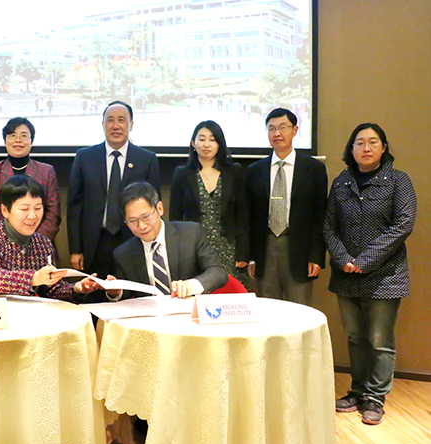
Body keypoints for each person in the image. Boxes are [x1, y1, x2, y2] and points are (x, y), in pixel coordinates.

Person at [325, 123, 416, 425]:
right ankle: (357, 391)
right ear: (351, 149)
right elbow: (328, 225)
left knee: (379, 340)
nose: (366, 148)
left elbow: (403, 224)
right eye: (360, 142)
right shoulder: (341, 181)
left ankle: (375, 398)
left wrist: (364, 260)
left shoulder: (399, 181)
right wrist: (342, 258)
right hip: (346, 274)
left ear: (383, 147)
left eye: (373, 142)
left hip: (385, 276)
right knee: (355, 337)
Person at [0, 175, 103, 300]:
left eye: (38, 208)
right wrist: (34, 278)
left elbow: (51, 290)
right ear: (5, 210)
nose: (32, 216)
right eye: (24, 209)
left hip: (22, 313)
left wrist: (77, 288)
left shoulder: (43, 243)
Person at [67, 100, 161, 280]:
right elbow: (74, 207)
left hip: (134, 240)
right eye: (110, 120)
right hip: (95, 242)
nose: (115, 126)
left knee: (132, 292)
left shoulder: (147, 159)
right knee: (94, 292)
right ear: (103, 124)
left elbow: (154, 208)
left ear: (131, 125)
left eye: (121, 120)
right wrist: (75, 249)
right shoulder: (85, 157)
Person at [244, 107, 327, 305]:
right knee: (267, 309)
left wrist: (316, 255)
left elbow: (320, 216)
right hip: (265, 247)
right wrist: (251, 257)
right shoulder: (255, 171)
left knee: (299, 310)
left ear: (295, 130)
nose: (277, 133)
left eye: (283, 127)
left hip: (299, 247)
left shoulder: (313, 169)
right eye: (272, 129)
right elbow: (248, 217)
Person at [107, 182, 227, 300]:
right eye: (133, 221)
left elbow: (217, 272)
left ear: (159, 208)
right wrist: (116, 292)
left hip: (188, 309)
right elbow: (126, 293)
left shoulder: (191, 234)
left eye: (146, 217)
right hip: (149, 312)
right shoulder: (123, 254)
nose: (142, 226)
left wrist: (190, 285)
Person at [170, 120, 249, 289]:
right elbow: (175, 217)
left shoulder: (234, 171)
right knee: (196, 291)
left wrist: (243, 252)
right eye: (202, 139)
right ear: (193, 143)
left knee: (230, 293)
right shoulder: (182, 174)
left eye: (212, 139)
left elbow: (242, 214)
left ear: (219, 144)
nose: (206, 144)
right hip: (193, 247)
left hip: (228, 246)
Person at [0, 117, 61, 240]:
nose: (18, 140)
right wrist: (3, 241)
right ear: (5, 140)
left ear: (31, 141)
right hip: (0, 245)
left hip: (39, 245)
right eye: (12, 135)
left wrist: (34, 242)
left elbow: (53, 214)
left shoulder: (46, 171)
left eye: (24, 135)